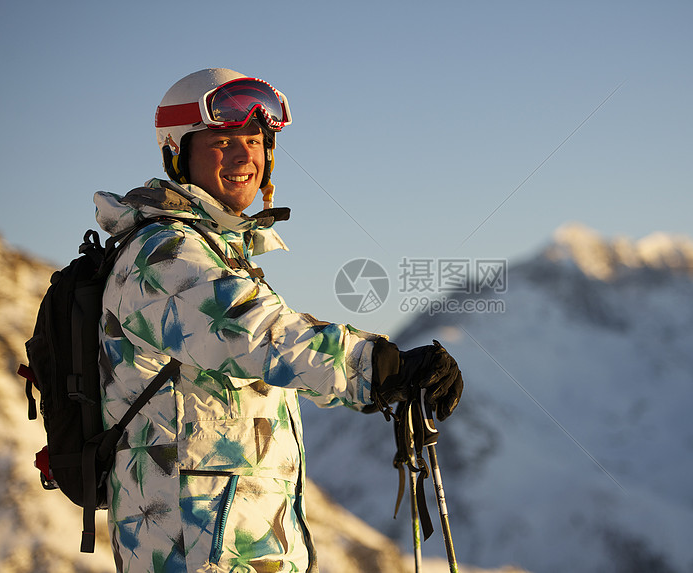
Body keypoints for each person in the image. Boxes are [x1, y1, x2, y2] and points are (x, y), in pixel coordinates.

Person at [95, 68, 463, 573]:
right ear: (176, 153)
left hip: (229, 545)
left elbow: (272, 329)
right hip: (194, 552)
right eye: (223, 142)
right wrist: (378, 366)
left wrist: (383, 362)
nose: (246, 155)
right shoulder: (163, 254)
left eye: (255, 140)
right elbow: (261, 335)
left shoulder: (214, 253)